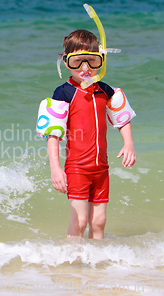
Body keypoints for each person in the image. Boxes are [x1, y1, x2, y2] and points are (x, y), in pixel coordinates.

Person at [43, 28, 136, 240]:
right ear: (66, 62)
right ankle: (73, 265)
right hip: (77, 169)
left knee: (99, 222)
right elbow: (52, 135)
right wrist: (56, 169)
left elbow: (123, 119)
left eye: (92, 61)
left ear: (101, 60)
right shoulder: (63, 93)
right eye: (77, 61)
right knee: (80, 221)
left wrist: (128, 143)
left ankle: (96, 269)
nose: (85, 68)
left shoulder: (106, 91)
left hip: (101, 168)